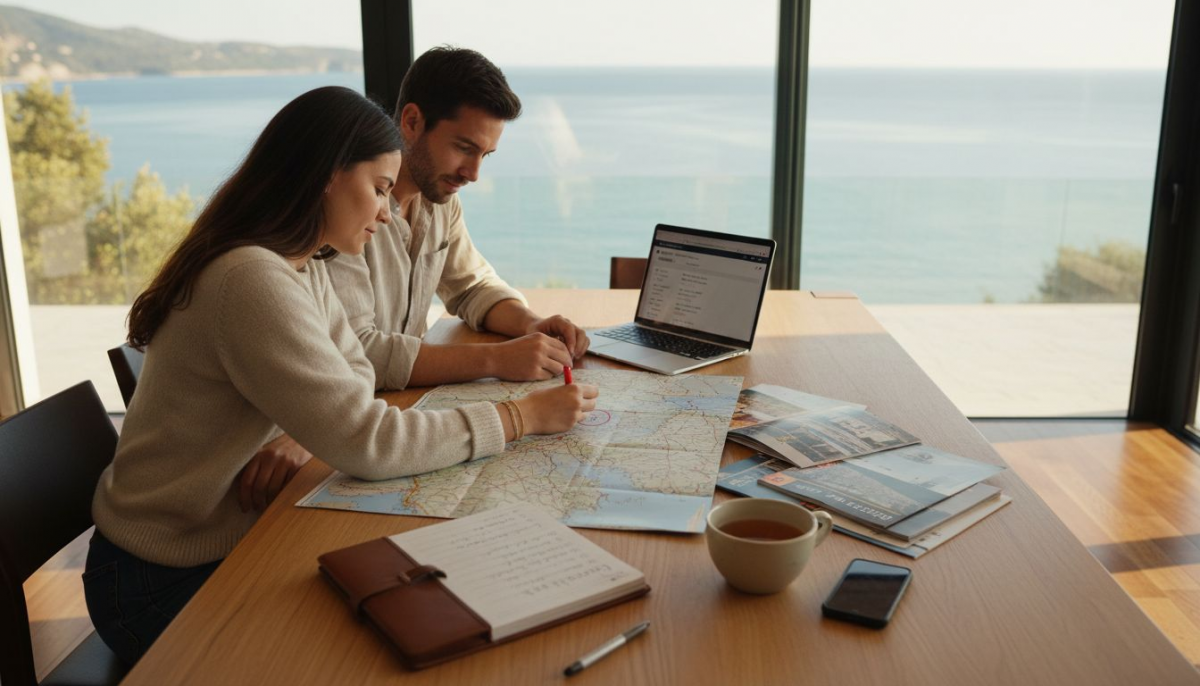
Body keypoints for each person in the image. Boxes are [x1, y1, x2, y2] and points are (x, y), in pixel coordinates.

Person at [83, 85, 598, 666]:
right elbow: (366, 438)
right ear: (327, 175)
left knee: (411, 599)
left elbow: (353, 369)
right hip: (158, 580)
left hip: (231, 536)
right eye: (379, 189)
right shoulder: (251, 277)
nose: (386, 210)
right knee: (374, 650)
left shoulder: (302, 261)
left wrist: (316, 427)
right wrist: (519, 416)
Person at [327, 47, 590, 391]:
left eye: (485, 155)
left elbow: (471, 286)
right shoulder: (348, 211)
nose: (474, 173)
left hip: (395, 401)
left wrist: (532, 325)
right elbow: (356, 351)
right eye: (464, 148)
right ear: (411, 122)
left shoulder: (439, 198)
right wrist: (496, 359)